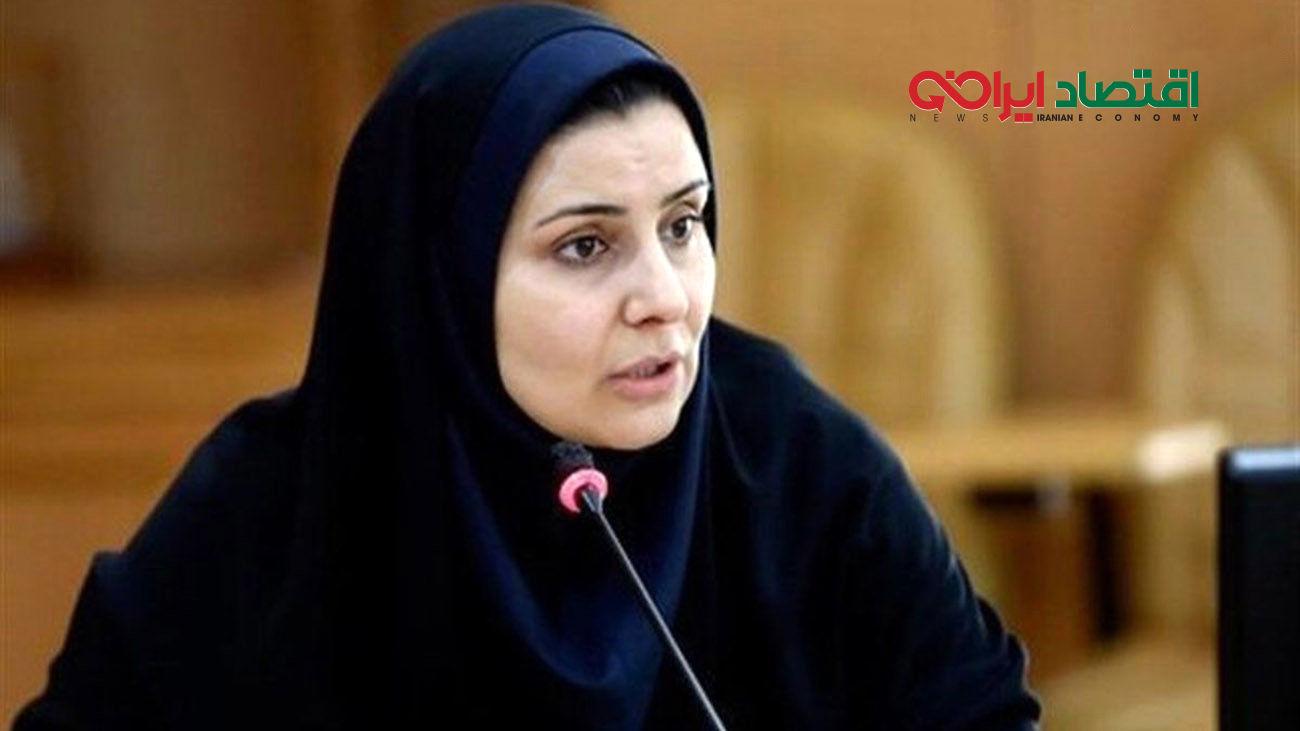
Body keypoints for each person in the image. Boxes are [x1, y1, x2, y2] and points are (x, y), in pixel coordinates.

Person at [16, 4, 1040, 728]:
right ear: (438, 277)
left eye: (684, 225)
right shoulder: (264, 510)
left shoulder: (802, 461)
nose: (666, 297)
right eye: (585, 245)